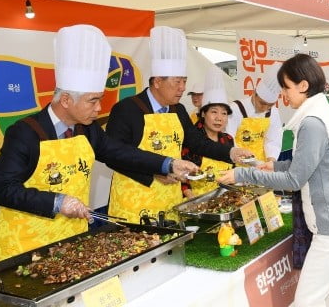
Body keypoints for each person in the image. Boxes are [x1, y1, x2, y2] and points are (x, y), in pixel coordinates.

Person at [0, 24, 196, 264]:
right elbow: (2, 190)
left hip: (69, 242)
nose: (99, 108)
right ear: (66, 99)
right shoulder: (25, 132)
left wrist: (168, 164)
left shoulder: (86, 129)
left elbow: (119, 152)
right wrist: (57, 201)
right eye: (92, 101)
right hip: (23, 247)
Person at [218, 53, 329, 307]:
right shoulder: (324, 113)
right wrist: (273, 165)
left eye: (286, 88)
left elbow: (294, 179)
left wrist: (242, 173)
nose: (283, 96)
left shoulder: (313, 122)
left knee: (306, 301)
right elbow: (311, 164)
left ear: (303, 85)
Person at [105, 26, 249, 223]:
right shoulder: (127, 110)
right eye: (177, 82)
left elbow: (197, 142)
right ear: (157, 81)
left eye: (184, 81)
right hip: (134, 203)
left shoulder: (178, 110)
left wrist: (230, 152)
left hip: (169, 202)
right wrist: (154, 173)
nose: (183, 88)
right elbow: (114, 156)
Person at [182, 68, 234, 199]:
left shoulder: (228, 139)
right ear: (204, 113)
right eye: (214, 112)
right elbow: (181, 176)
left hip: (224, 200)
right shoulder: (191, 139)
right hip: (196, 201)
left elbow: (233, 172)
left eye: (224, 113)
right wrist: (191, 196)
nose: (219, 118)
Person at [226, 64, 283, 163]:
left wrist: (271, 161)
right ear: (254, 93)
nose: (265, 108)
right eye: (262, 103)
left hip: (260, 166)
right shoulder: (235, 109)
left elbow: (273, 141)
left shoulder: (274, 113)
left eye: (270, 105)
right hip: (236, 164)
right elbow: (227, 137)